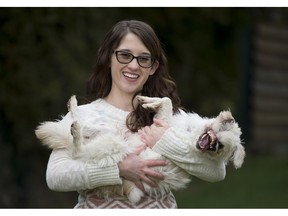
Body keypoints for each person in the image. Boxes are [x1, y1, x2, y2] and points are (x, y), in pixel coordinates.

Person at [44, 20, 226, 208]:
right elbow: (55, 176)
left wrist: (166, 141)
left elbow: (216, 172)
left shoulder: (170, 117)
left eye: (143, 59)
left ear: (153, 67)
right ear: (108, 57)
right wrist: (118, 169)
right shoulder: (83, 116)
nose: (133, 65)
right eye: (125, 55)